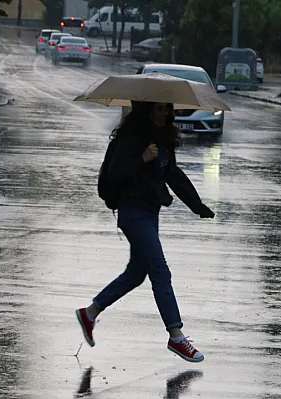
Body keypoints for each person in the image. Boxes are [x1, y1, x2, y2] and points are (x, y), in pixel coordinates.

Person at [76, 101, 215, 363]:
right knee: (160, 271)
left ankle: (89, 313)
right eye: (159, 109)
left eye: (167, 108)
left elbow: (172, 175)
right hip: (133, 212)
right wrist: (142, 158)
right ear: (147, 110)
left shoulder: (161, 138)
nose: (165, 113)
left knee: (136, 273)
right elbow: (114, 174)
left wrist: (197, 206)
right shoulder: (132, 137)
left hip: (150, 213)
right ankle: (176, 335)